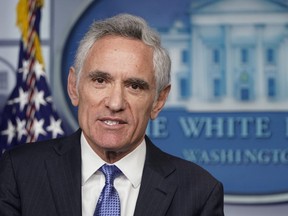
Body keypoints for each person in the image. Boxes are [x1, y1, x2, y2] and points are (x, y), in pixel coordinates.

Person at [0, 13, 224, 216]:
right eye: (100, 81)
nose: (115, 103)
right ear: (73, 87)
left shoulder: (199, 193)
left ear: (158, 101)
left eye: (134, 86)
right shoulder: (18, 173)